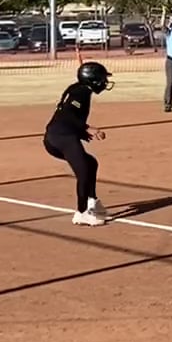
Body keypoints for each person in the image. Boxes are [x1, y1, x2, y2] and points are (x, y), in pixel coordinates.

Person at [45, 61, 113, 226]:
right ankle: (81, 213)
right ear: (93, 79)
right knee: (83, 171)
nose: (104, 82)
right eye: (102, 79)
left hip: (56, 137)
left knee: (90, 163)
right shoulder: (81, 92)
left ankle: (92, 203)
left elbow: (66, 115)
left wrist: (81, 132)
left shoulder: (76, 89)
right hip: (62, 138)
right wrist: (87, 128)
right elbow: (68, 115)